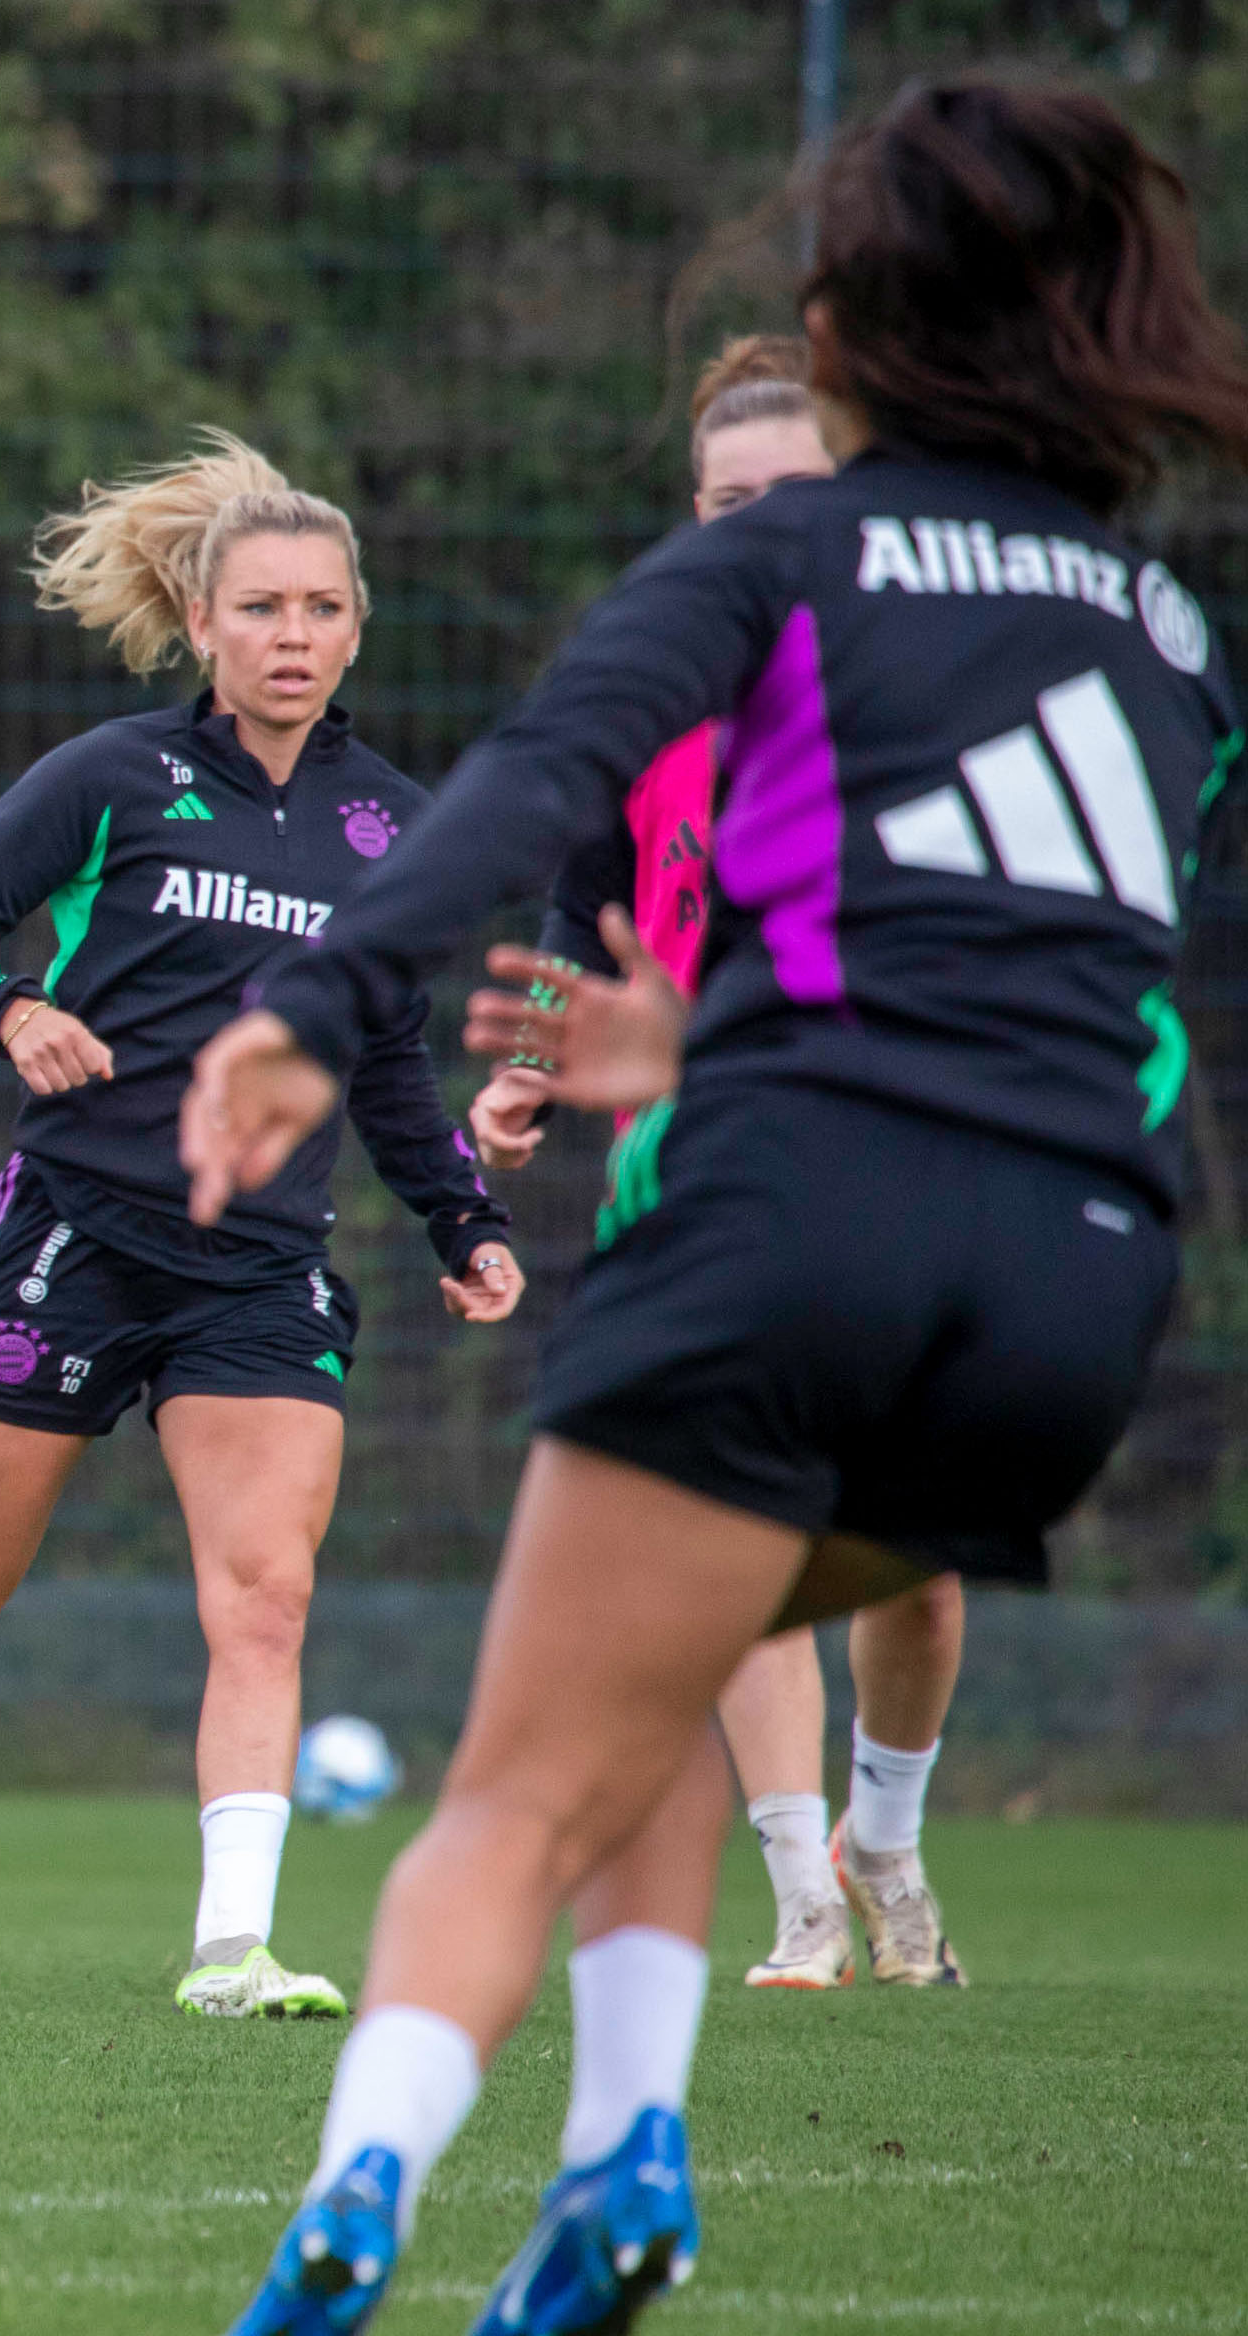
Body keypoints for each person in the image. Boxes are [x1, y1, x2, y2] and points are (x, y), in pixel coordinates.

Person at [189, 79, 1248, 2333]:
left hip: (797, 1221)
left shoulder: (782, 554)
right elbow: (1054, 949)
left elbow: (525, 793)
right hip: (1076, 1292)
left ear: (851, 328)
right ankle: (623, 2155)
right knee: (672, 1654)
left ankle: (354, 2191)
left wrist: (309, 1009)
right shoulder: (1166, 633)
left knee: (502, 1788)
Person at [0, 432, 523, 2019]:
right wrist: (7, 1017)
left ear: (356, 629)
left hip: (259, 1270)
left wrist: (455, 1217)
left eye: (321, 608)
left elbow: (389, 1056)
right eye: (260, 606)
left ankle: (229, 1948)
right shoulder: (106, 779)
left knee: (262, 1591)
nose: (291, 635)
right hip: (73, 1227)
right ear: (199, 622)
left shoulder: (393, 828)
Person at [469, 335, 973, 1995]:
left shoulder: (942, 686)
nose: (756, 528)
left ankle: (882, 1839)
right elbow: (581, 889)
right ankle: (803, 1901)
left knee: (909, 1559)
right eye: (726, 501)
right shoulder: (655, 683)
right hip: (690, 1157)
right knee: (725, 1537)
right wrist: (541, 1049)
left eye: (794, 499)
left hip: (899, 1141)